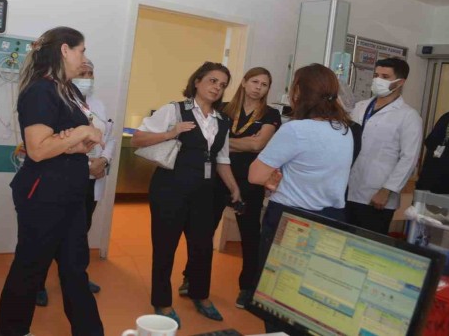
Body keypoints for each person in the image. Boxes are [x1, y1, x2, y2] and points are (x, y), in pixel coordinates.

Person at [0, 27, 104, 336]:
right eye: (82, 50)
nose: (84, 57)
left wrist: (76, 140)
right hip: (43, 193)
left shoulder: (70, 91)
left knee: (75, 268)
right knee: (31, 266)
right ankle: (12, 331)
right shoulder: (40, 91)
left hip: (71, 191)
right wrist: (79, 134)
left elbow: (83, 140)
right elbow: (38, 150)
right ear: (65, 50)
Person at [131, 62, 242, 327]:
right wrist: (171, 132)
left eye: (223, 85)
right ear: (197, 81)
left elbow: (222, 159)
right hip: (170, 189)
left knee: (202, 247)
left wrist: (234, 187)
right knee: (165, 246)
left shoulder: (223, 121)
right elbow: (137, 139)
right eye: (213, 81)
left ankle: (200, 295)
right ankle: (162, 302)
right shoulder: (175, 110)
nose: (217, 88)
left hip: (204, 193)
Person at [248, 63, 355, 332]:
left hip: (292, 222)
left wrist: (273, 178)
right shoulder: (344, 130)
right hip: (331, 221)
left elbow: (255, 175)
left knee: (278, 296)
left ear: (298, 92)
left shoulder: (296, 130)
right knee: (313, 297)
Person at [180, 67, 281, 309]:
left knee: (250, 236)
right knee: (203, 232)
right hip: (216, 178)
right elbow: (209, 140)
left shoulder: (271, 114)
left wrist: (220, 142)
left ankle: (247, 288)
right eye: (254, 82)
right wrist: (234, 143)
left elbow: (257, 144)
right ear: (244, 83)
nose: (258, 87)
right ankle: (191, 278)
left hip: (249, 182)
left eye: (264, 84)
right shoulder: (223, 109)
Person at [35, 59, 115, 306]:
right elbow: (51, 141)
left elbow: (109, 137)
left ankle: (75, 278)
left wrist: (104, 160)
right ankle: (37, 283)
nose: (87, 77)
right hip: (65, 177)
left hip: (91, 179)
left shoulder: (98, 105)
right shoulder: (58, 100)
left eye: (90, 73)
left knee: (79, 234)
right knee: (48, 233)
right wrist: (85, 162)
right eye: (82, 71)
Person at [346, 58, 423, 235]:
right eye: (376, 75)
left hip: (378, 195)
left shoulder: (409, 116)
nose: (378, 80)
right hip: (348, 188)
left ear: (400, 82)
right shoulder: (360, 107)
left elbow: (409, 159)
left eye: (385, 77)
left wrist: (387, 190)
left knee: (367, 243)